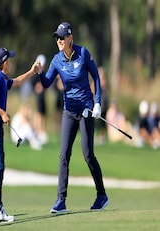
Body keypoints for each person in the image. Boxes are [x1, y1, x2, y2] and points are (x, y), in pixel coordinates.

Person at [36, 22, 109, 213]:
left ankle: (101, 195)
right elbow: (46, 83)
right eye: (57, 38)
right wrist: (39, 73)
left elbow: (97, 77)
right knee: (63, 154)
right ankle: (61, 200)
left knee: (88, 154)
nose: (59, 40)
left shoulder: (83, 53)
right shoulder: (56, 60)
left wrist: (98, 103)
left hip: (86, 111)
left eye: (62, 37)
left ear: (70, 38)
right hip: (69, 111)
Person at [0, 47, 39, 222]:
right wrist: (2, 113)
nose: (12, 62)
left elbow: (19, 81)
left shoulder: (4, 79)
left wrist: (32, 71)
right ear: (4, 63)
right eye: (10, 60)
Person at [32, 54, 49, 145]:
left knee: (43, 113)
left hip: (43, 96)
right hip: (38, 97)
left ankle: (41, 131)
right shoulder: (35, 74)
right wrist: (37, 87)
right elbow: (33, 84)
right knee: (39, 113)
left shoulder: (43, 73)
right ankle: (38, 131)